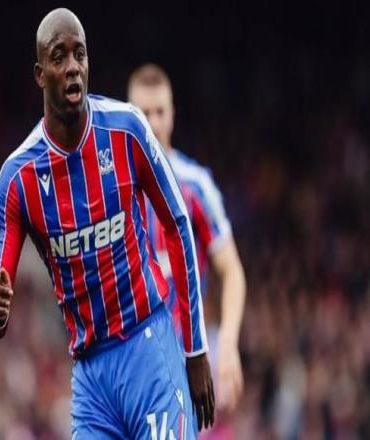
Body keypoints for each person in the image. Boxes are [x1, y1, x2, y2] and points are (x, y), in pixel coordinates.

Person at [0, 8, 214, 439]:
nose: (72, 67)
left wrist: (195, 349)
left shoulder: (127, 129)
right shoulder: (18, 178)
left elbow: (178, 225)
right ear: (39, 74)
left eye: (79, 55)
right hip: (91, 380)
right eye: (59, 57)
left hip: (148, 347)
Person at [128, 64, 246, 414]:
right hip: (124, 365)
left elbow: (232, 270)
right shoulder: (111, 187)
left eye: (160, 111)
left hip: (180, 364)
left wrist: (227, 343)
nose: (153, 122)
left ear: (173, 115)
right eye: (144, 113)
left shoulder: (195, 186)